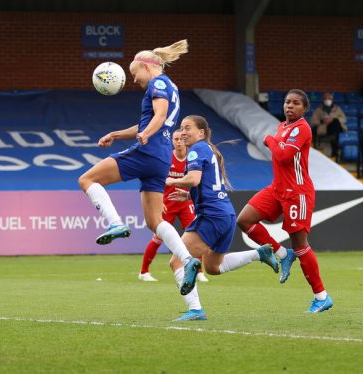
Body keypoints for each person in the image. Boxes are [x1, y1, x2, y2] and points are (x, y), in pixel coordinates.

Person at [78, 39, 202, 295]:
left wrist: (145, 135)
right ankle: (188, 260)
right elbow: (152, 120)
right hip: (161, 157)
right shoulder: (170, 86)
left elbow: (158, 115)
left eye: (135, 74)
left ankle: (114, 223)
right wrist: (117, 134)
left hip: (149, 150)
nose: (134, 80)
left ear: (147, 66)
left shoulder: (157, 83)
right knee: (154, 221)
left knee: (87, 179)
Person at [165, 115, 279, 321]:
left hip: (212, 215)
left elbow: (193, 179)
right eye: (181, 128)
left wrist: (170, 180)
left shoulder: (197, 149)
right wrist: (189, 195)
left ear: (201, 133)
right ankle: (259, 254)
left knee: (177, 262)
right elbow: (207, 183)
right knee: (213, 267)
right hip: (224, 213)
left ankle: (195, 310)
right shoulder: (207, 150)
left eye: (187, 128)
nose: (183, 132)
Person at [237, 89, 333, 314]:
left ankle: (321, 297)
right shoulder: (283, 127)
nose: (290, 106)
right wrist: (275, 139)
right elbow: (280, 156)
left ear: (304, 109)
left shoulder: (302, 128)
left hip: (297, 192)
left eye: (296, 103)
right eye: (288, 102)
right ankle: (282, 254)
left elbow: (283, 156)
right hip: (277, 188)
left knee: (300, 244)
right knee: (245, 220)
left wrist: (270, 140)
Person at [138, 129, 206, 283]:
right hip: (166, 202)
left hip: (185, 202)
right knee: (157, 238)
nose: (179, 142)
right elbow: (156, 179)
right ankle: (144, 272)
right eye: (176, 139)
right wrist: (159, 200)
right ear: (172, 141)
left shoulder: (192, 158)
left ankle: (200, 271)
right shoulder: (166, 158)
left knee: (196, 234)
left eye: (182, 139)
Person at [310, 92, 347, 157]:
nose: (327, 100)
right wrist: (322, 121)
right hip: (324, 128)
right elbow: (313, 120)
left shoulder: (337, 109)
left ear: (332, 99)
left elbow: (344, 118)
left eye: (329, 98)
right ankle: (335, 148)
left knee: (335, 121)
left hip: (337, 126)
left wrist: (332, 119)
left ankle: (333, 139)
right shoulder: (319, 110)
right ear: (323, 100)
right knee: (336, 133)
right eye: (325, 99)